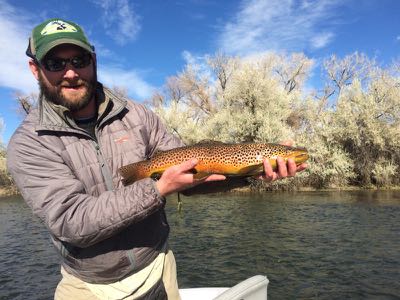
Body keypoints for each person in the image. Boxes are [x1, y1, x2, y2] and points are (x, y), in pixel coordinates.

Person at [7, 18, 307, 300]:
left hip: (160, 268)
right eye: (56, 63)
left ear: (93, 60)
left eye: (79, 60)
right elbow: (72, 221)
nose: (70, 72)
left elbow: (189, 181)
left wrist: (248, 174)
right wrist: (157, 189)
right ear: (36, 69)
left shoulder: (137, 115)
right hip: (89, 287)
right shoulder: (29, 143)